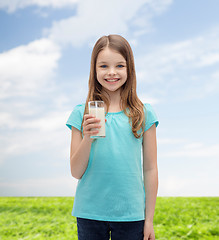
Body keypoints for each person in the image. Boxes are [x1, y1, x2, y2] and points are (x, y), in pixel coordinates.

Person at [66, 34, 159, 240]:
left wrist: (149, 219)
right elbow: (76, 171)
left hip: (131, 215)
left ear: (129, 69)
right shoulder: (81, 113)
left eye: (119, 66)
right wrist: (88, 137)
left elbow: (150, 168)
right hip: (89, 213)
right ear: (94, 69)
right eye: (103, 66)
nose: (111, 73)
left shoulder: (144, 113)